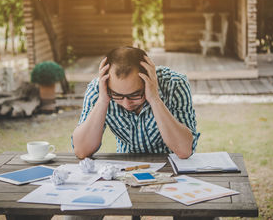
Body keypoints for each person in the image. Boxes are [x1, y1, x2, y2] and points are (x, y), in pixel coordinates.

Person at [72, 46, 200, 159]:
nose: (127, 104)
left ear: (150, 78)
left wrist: (155, 99)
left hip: (171, 167)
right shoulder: (98, 88)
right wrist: (102, 100)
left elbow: (185, 150)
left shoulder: (175, 83)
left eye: (135, 95)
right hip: (126, 169)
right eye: (117, 95)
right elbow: (81, 151)